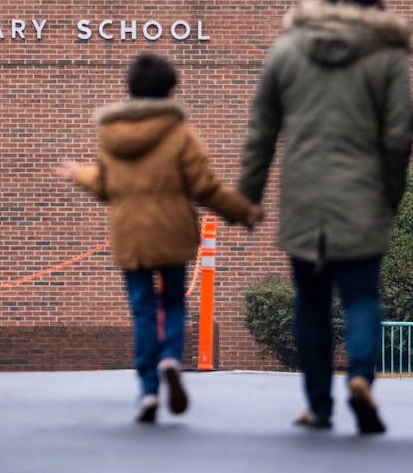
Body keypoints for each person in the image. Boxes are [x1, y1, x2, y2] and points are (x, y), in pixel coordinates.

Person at [237, 0, 413, 434]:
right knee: (360, 295)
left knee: (310, 303)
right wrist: (391, 195)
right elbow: (400, 135)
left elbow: (262, 130)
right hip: (363, 198)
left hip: (305, 200)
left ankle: (318, 405)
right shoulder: (387, 55)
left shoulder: (290, 49)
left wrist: (248, 197)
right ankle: (360, 377)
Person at [54, 53, 260, 424]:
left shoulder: (112, 135)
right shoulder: (180, 134)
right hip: (172, 233)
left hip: (130, 235)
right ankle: (170, 358)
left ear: (130, 90)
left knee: (143, 310)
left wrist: (77, 173)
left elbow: (104, 184)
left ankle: (148, 391)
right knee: (174, 302)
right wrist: (241, 211)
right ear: (169, 91)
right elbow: (205, 187)